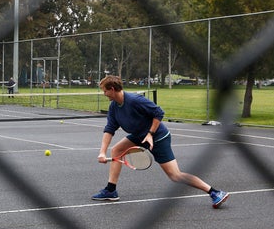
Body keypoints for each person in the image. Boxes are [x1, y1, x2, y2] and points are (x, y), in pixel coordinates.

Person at [92, 75, 229, 209]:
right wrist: (102, 152)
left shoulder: (134, 100)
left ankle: (215, 192)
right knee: (116, 150)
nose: (104, 94)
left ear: (112, 89)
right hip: (139, 135)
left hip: (158, 137)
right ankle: (111, 190)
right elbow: (109, 129)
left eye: (105, 91)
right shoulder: (114, 107)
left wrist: (150, 134)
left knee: (175, 176)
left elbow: (158, 113)